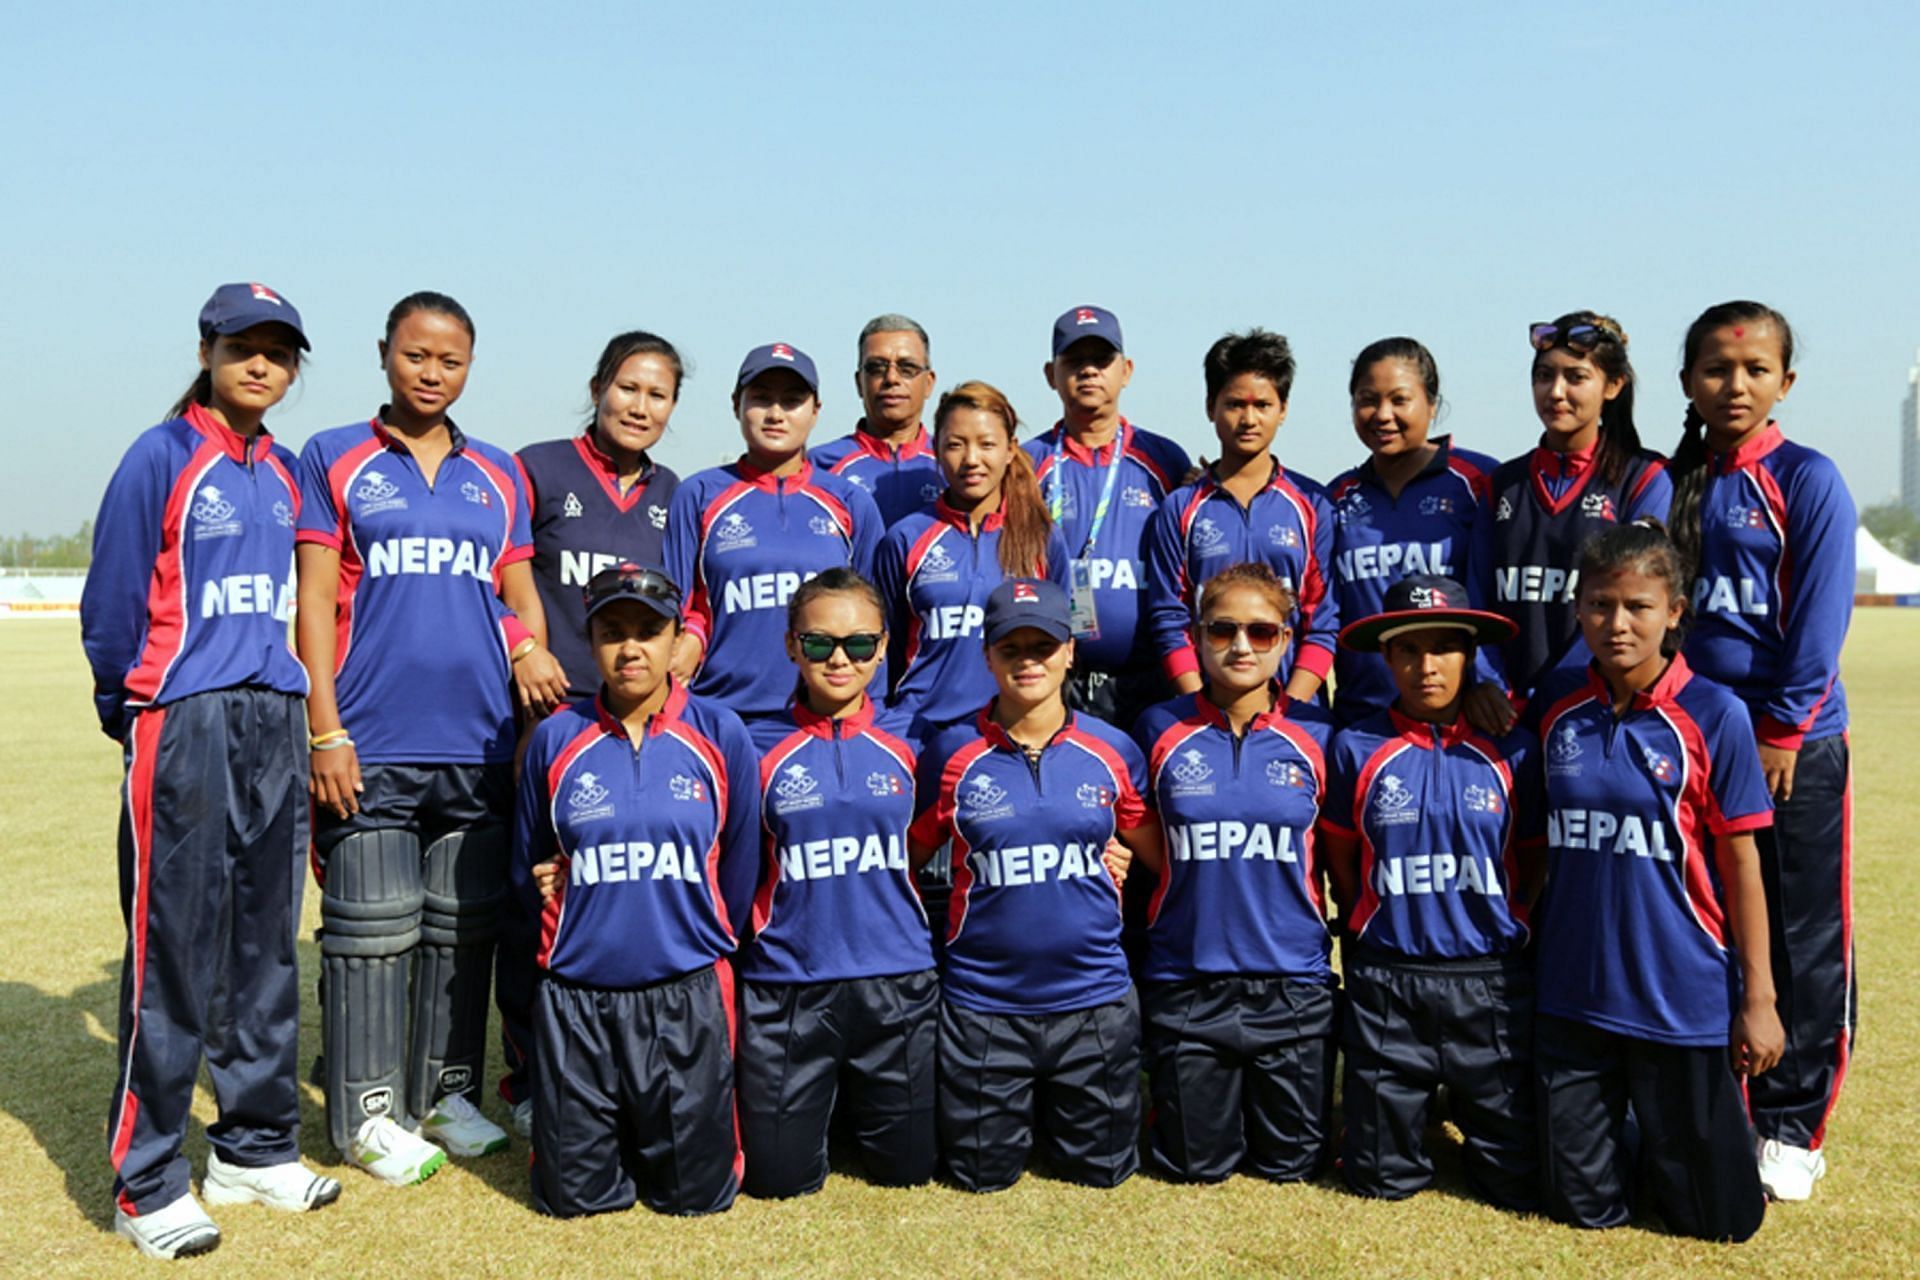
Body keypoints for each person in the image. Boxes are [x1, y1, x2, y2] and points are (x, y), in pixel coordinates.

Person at [82, 283, 341, 1258]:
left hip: (273, 716)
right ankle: (148, 1180)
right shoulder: (160, 456)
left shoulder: (280, 470)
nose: (262, 363)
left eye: (280, 350)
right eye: (244, 345)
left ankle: (256, 1144)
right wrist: (136, 712)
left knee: (267, 946)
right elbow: (110, 609)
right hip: (182, 720)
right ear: (206, 348)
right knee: (173, 952)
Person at [295, 291, 568, 1185]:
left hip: (480, 737)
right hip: (370, 736)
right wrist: (325, 728)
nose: (431, 372)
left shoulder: (496, 471)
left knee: (463, 930)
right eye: (416, 355)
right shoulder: (332, 456)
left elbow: (516, 590)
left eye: (449, 360)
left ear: (469, 368)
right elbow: (314, 607)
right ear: (384, 354)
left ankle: (446, 1096)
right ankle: (368, 1114)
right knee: (373, 932)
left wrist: (528, 643)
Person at [1531, 521, 1781, 1242]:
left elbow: (1742, 865)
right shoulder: (1556, 710)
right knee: (1582, 1210)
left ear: (1674, 611)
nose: (1617, 624)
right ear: (1578, 609)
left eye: (1638, 607)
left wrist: (1757, 999)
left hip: (1682, 1001)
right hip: (1574, 1000)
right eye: (1601, 605)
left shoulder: (1714, 714)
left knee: (1720, 1223)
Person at [1666, 301, 1856, 1202]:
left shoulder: (1808, 478)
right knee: (1712, 920)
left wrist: (1781, 729)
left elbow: (1820, 618)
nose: (1733, 386)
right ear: (1687, 383)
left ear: (1785, 381)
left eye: (1752, 371)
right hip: (1695, 735)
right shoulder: (1672, 483)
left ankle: (1793, 1125)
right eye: (1714, 370)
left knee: (1799, 934)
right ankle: (1728, 1100)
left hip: (1791, 744)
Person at [514, 564, 758, 1217]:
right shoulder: (556, 739)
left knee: (696, 1198)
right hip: (578, 996)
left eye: (649, 632)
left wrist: (696, 935)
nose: (631, 650)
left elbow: (737, 872)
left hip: (687, 994)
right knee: (572, 1199)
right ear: (589, 640)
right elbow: (533, 861)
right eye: (612, 632)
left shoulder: (720, 734)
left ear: (676, 638)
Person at [908, 578, 1163, 1192]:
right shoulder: (951, 755)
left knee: (1101, 1173)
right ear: (987, 655)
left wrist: (1118, 854)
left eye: (1043, 646)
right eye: (1011, 647)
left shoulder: (1113, 750)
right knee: (979, 1176)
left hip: (1094, 1002)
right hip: (984, 1006)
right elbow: (906, 864)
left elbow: (1161, 856)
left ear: (1070, 651)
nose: (1028, 661)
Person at [1319, 574, 1541, 1210]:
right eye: (1409, 651)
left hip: (1490, 983)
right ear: (1386, 657)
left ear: (1469, 656)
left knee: (1515, 1183)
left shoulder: (1514, 750)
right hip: (1391, 979)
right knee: (1380, 1181)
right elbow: (1342, 859)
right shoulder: (1356, 747)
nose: (1426, 666)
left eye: (1444, 648)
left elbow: (1532, 860)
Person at [1131, 563, 1338, 1183]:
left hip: (1292, 984)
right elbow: (1138, 831)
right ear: (1196, 636)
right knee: (1196, 1166)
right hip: (1188, 980)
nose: (1241, 646)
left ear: (1287, 638)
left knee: (1291, 1167)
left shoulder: (1323, 737)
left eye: (1261, 631)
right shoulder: (1156, 728)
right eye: (1222, 630)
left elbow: (1343, 855)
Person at [736, 570, 939, 1198]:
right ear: (793, 646)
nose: (840, 659)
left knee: (908, 1173)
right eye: (820, 643)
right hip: (788, 987)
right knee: (777, 1182)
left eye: (859, 644)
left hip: (897, 983)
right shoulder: (751, 745)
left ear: (884, 648)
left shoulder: (918, 743)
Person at [1468, 313, 1671, 732]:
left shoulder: (1643, 479)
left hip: (1594, 713)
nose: (1556, 392)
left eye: (1576, 377)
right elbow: (1477, 598)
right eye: (1544, 376)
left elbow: (1631, 599)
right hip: (1505, 716)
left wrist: (1559, 693)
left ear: (1612, 386)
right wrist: (1487, 684)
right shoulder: (1503, 484)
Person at [664, 342, 885, 722]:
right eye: (762, 399)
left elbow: (876, 622)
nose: (776, 414)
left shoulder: (850, 502)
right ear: (736, 404)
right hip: (719, 715)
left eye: (792, 401)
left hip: (821, 718)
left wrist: (870, 715)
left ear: (815, 411)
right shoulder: (698, 495)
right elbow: (674, 610)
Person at [1146, 328, 1336, 704]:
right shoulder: (1180, 508)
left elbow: (1323, 622)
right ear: (1210, 407)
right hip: (1202, 712)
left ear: (1283, 410)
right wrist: (1201, 705)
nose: (1249, 419)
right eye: (1235, 404)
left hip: (1292, 711)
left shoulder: (1313, 504)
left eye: (1262, 405)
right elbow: (1169, 618)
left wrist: (1290, 709)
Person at [874, 380, 1070, 735]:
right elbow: (884, 648)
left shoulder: (1044, 537)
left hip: (1012, 735)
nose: (971, 460)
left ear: (1011, 450)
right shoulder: (905, 539)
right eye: (955, 445)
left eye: (987, 444)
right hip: (919, 734)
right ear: (935, 449)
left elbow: (1068, 638)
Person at [1027, 305, 1192, 728]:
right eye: (1074, 361)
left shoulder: (1164, 459)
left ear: (1127, 370)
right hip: (1055, 684)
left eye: (1101, 360)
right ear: (1051, 374)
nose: (1089, 372)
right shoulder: (1028, 464)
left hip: (1149, 682)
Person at [1326, 339, 1500, 723]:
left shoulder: (1479, 481)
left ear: (1432, 405)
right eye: (1367, 399)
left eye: (1399, 400)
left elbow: (1497, 594)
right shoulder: (1335, 497)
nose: (1382, 414)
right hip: (1363, 718)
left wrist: (1487, 680)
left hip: (1461, 716)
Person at [517, 330, 685, 698]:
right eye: (628, 388)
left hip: (635, 711)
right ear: (597, 390)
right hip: (547, 705)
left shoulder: (675, 493)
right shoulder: (536, 469)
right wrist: (523, 649)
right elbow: (493, 576)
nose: (640, 408)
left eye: (657, 396)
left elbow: (691, 596)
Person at [811, 314, 945, 525]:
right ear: (859, 383)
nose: (891, 379)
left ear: (929, 383)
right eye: (876, 368)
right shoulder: (817, 466)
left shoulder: (952, 465)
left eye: (907, 368)